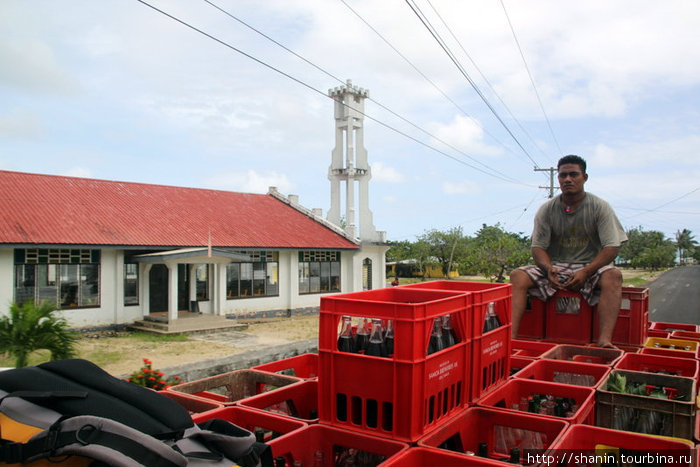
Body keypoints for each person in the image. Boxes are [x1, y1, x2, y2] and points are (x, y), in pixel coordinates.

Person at [510, 155, 627, 348]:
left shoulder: (599, 207)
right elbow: (538, 247)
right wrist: (548, 269)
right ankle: (511, 339)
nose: (567, 179)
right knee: (517, 276)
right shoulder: (547, 209)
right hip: (556, 266)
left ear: (585, 177)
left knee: (613, 276)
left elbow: (612, 247)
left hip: (591, 267)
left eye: (573, 174)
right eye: (563, 175)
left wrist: (587, 271)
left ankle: (604, 341)